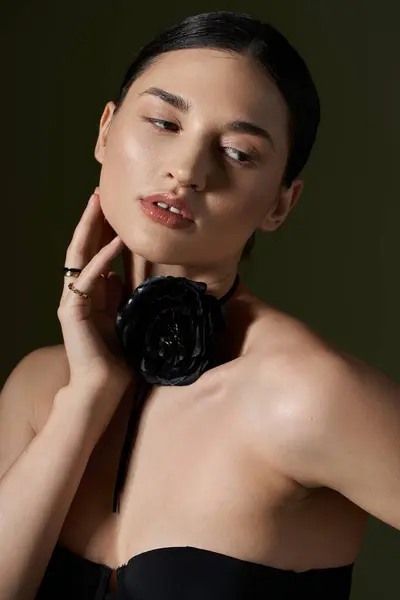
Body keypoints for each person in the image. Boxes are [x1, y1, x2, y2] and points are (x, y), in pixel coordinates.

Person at [0, 10, 398, 600]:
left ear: (280, 205)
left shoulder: (308, 395)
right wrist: (85, 398)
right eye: (163, 121)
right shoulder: (40, 386)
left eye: (238, 153)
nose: (185, 170)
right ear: (106, 132)